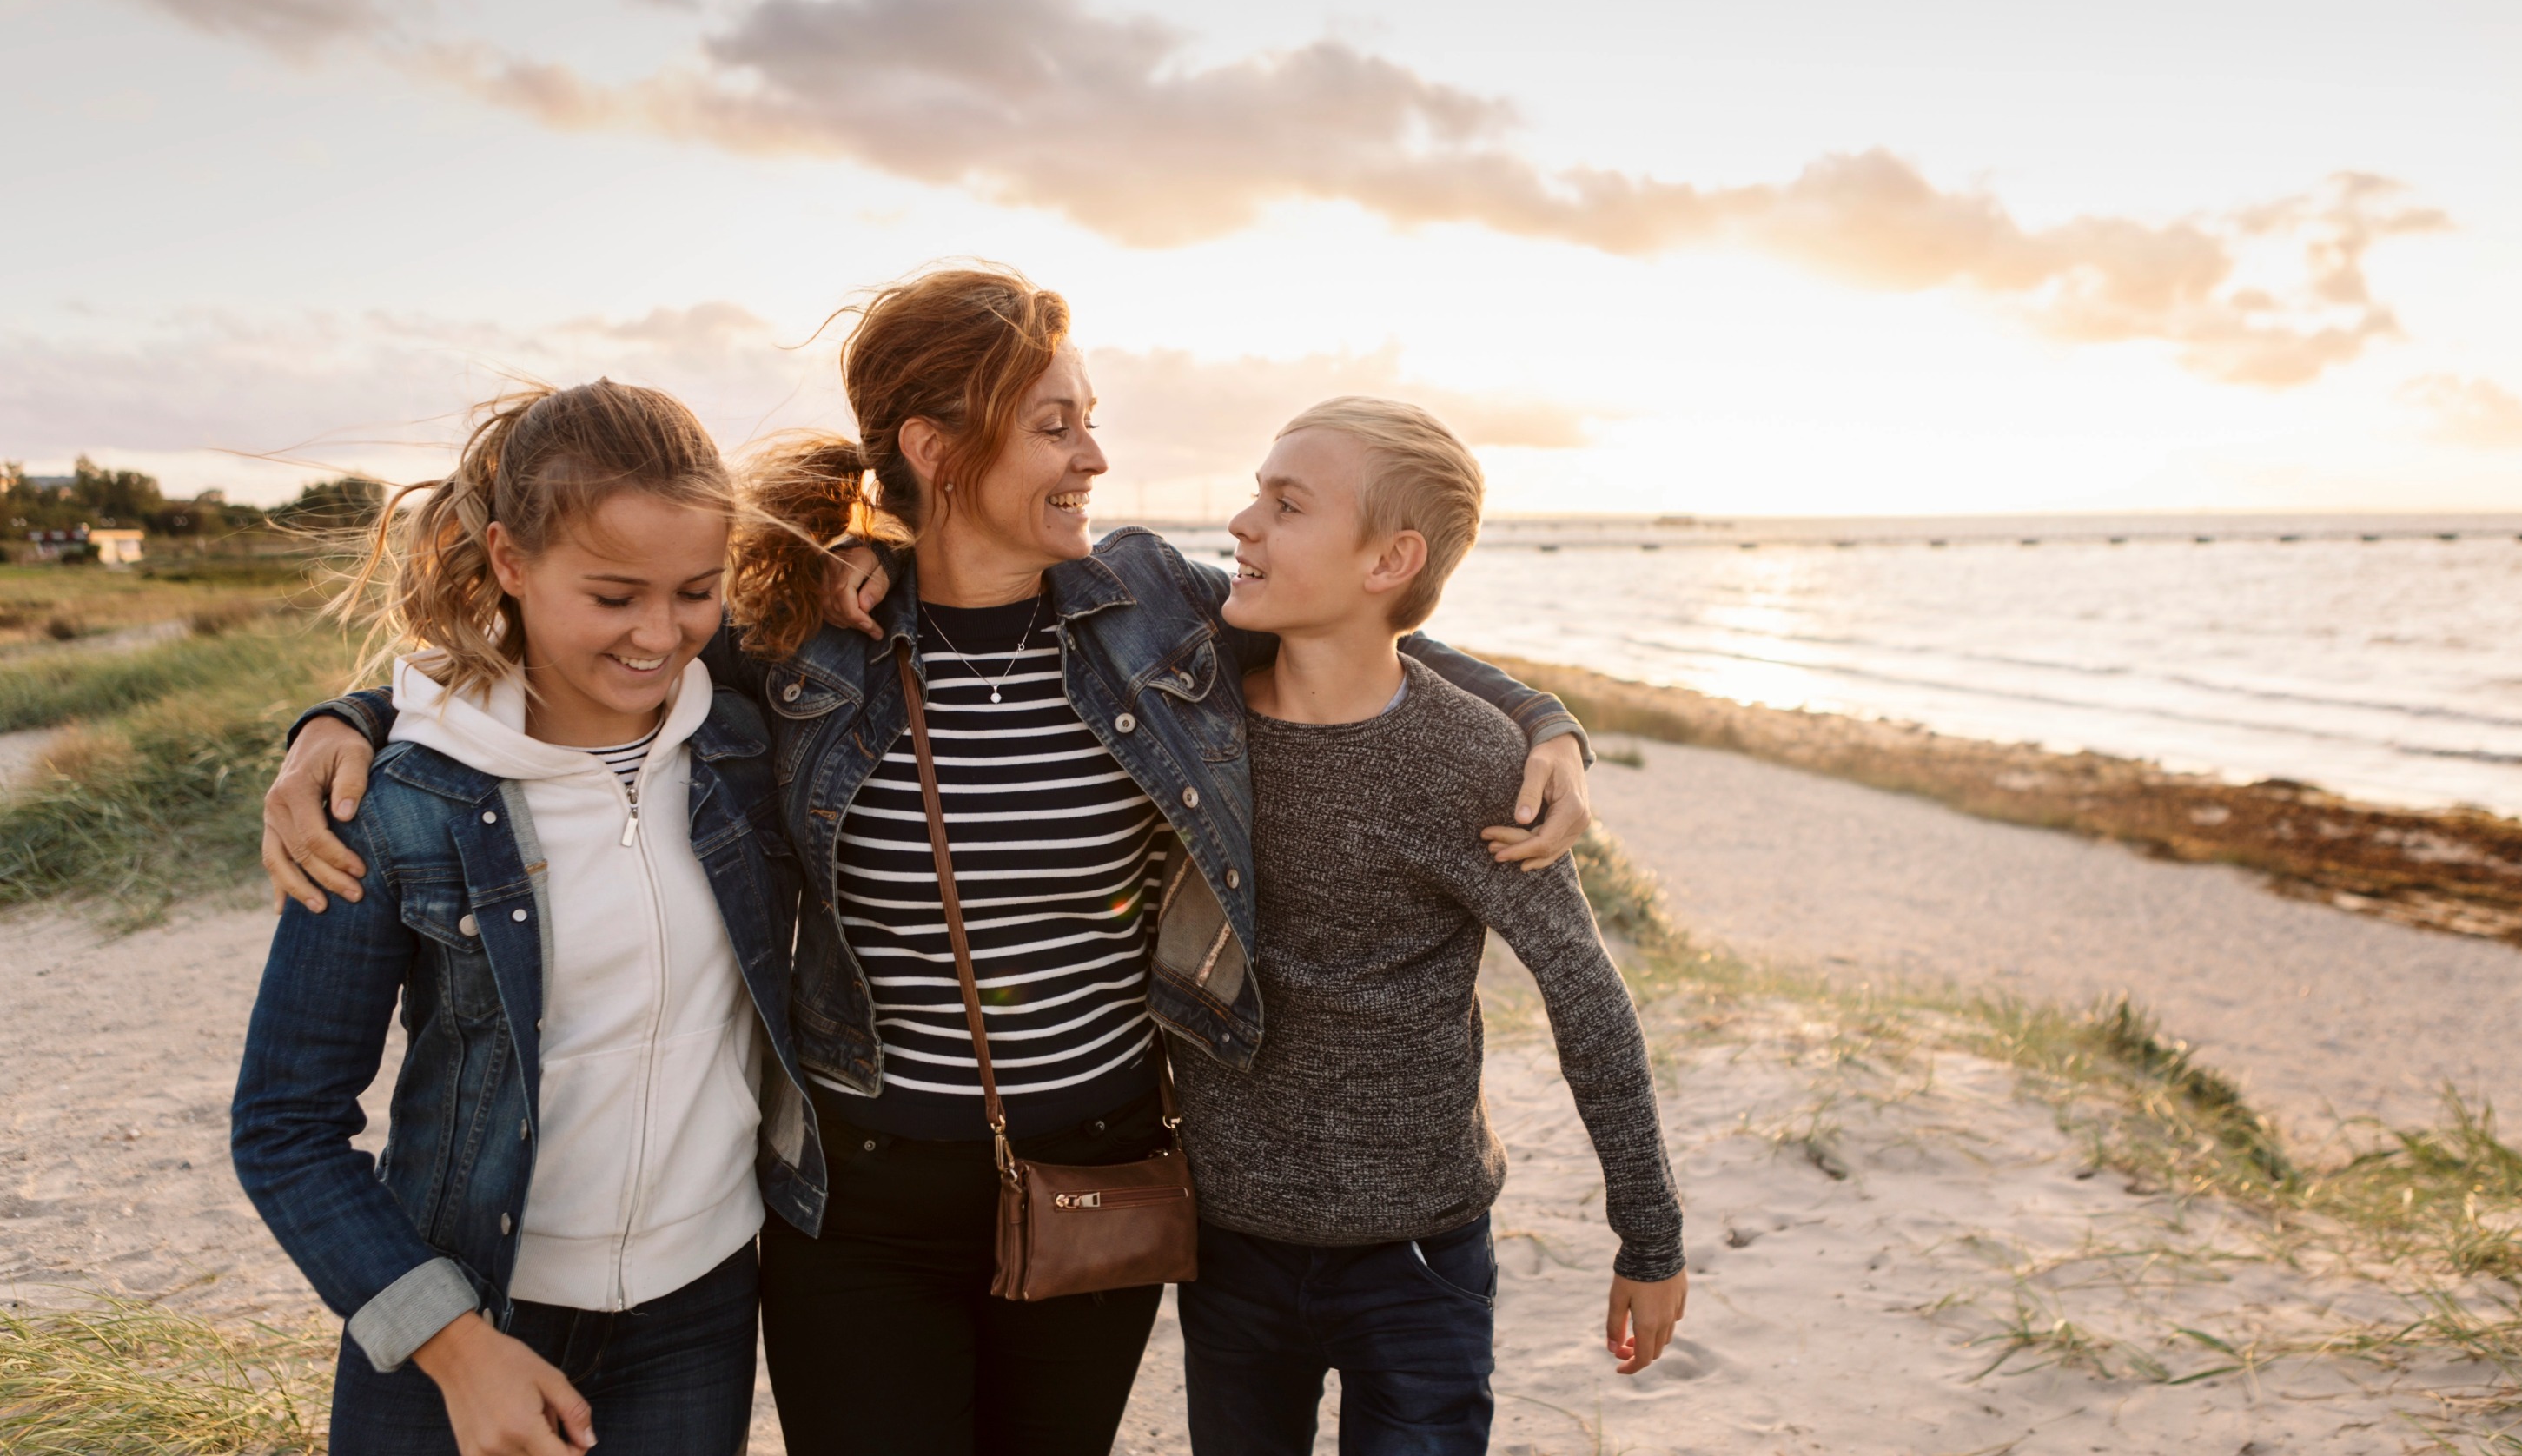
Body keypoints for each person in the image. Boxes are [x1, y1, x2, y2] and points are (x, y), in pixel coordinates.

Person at [259, 267, 1600, 1453]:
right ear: (936, 448)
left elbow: (1354, 629)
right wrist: (357, 718)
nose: (1095, 459)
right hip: (859, 1202)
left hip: (1103, 1173)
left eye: (1093, 420)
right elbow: (561, 651)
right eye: (1058, 423)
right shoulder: (801, 636)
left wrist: (1545, 719)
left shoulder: (1154, 612)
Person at [229, 381, 824, 1456]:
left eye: (697, 590)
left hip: (700, 1310)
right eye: (612, 596)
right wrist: (454, 1346)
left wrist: (868, 560)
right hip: (463, 1314)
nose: (660, 634)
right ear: (509, 561)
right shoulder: (400, 804)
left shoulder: (742, 751)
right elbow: (285, 1125)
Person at [1167, 396, 1685, 1454]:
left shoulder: (1471, 765)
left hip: (1417, 1260)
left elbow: (1584, 996)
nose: (1240, 525)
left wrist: (1650, 1240)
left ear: (1386, 560)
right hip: (1225, 1243)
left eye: (1285, 504)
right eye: (1255, 493)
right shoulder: (1191, 717)